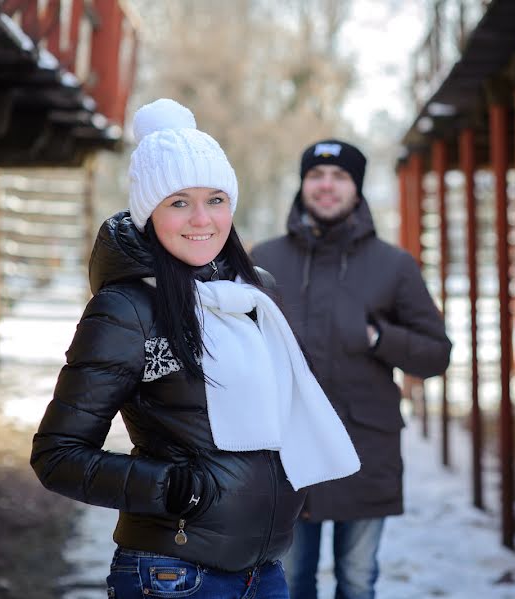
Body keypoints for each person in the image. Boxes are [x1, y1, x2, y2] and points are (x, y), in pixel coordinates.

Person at [30, 100, 360, 599]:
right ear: (149, 213)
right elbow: (57, 456)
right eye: (179, 202)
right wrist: (175, 488)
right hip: (174, 573)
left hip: (264, 570)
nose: (202, 219)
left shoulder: (256, 295)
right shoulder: (127, 309)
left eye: (216, 199)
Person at [251, 140, 452, 599]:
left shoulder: (393, 265)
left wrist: (381, 339)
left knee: (357, 582)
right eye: (316, 176)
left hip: (365, 451)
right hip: (286, 455)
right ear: (302, 185)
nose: (326, 186)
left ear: (357, 189)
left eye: (339, 177)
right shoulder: (264, 260)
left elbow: (436, 353)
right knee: (286, 582)